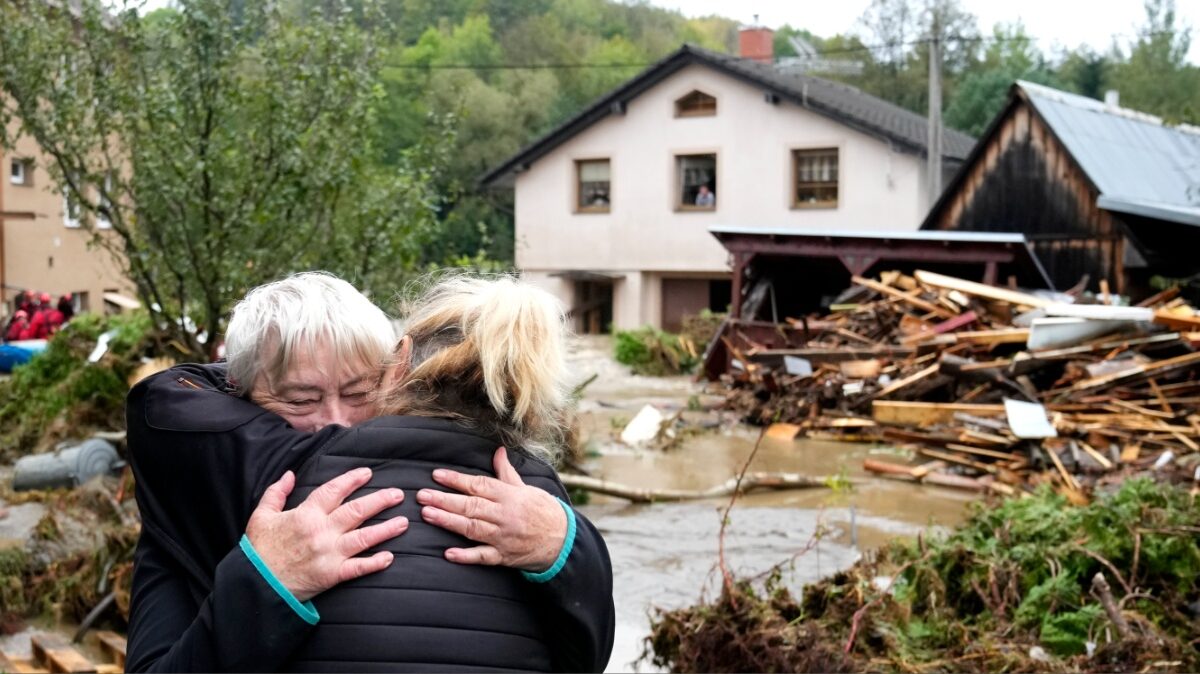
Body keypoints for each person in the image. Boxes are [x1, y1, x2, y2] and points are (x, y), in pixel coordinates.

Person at [126, 272, 613, 672]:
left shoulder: (520, 498)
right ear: (236, 393)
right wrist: (266, 583)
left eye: (359, 393)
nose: (334, 421)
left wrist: (564, 543)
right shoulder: (195, 488)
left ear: (397, 373)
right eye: (300, 399)